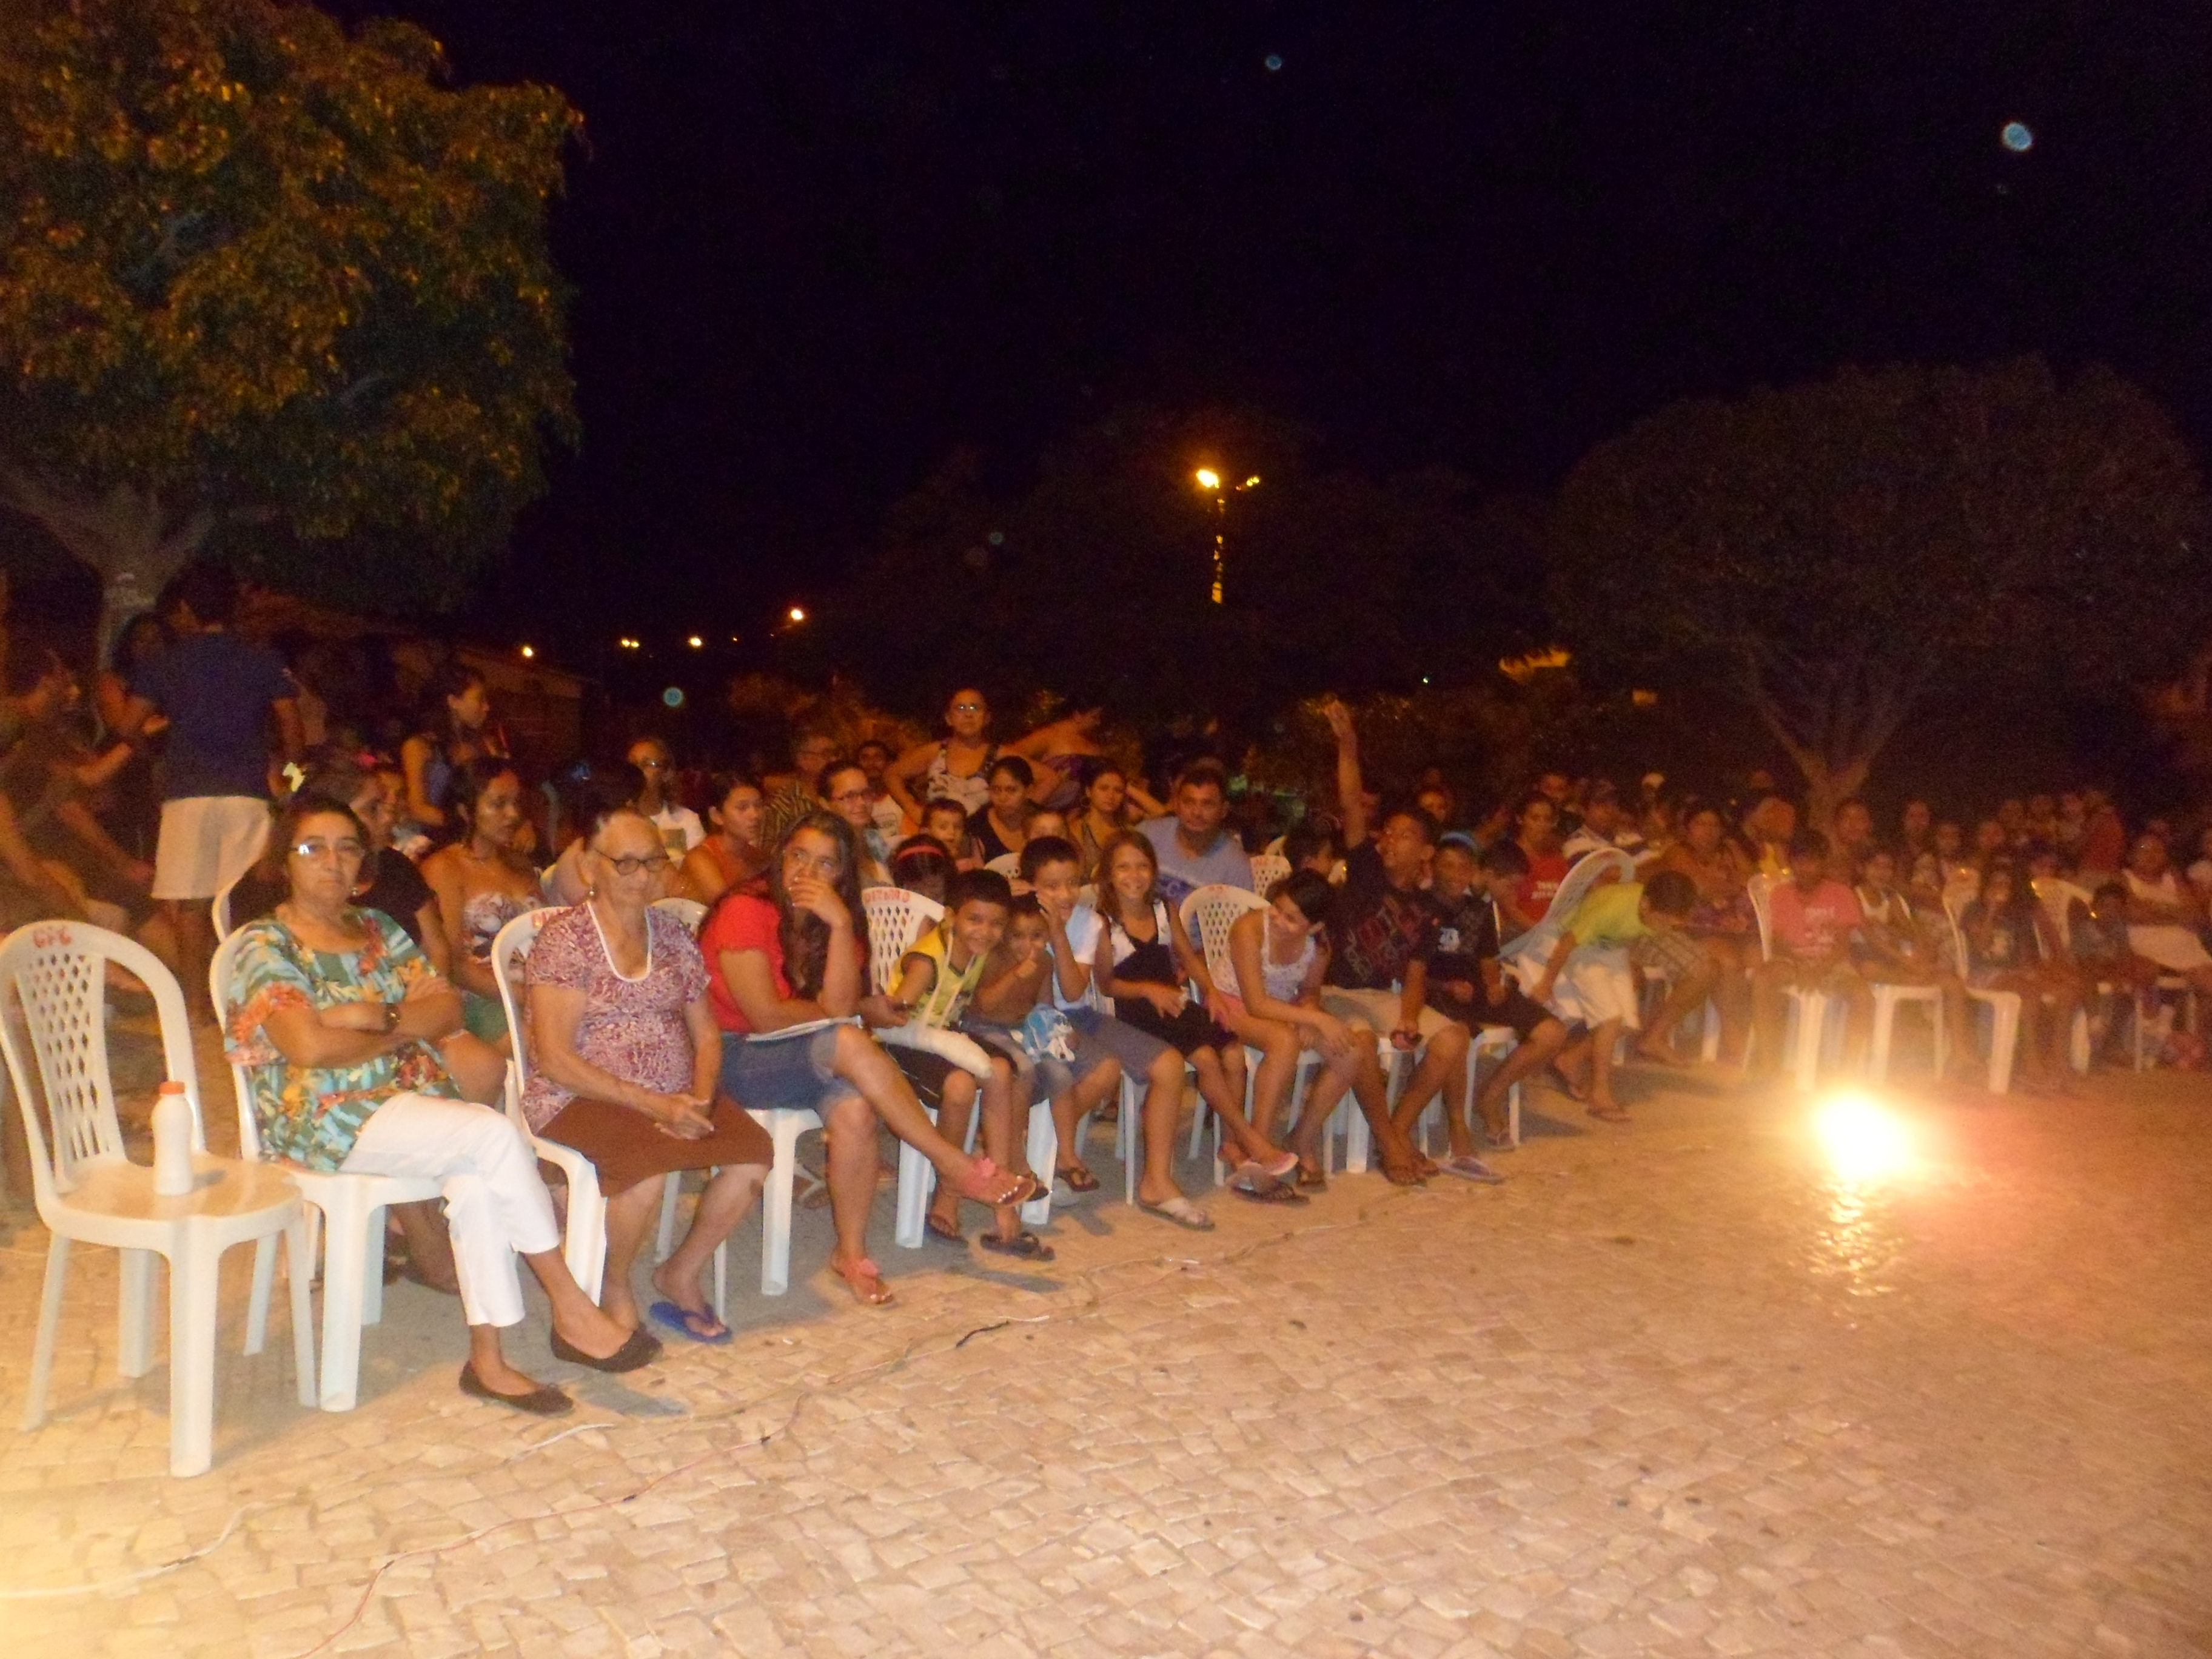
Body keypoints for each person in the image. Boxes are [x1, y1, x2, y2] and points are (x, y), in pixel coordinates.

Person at [225, 794, 658, 1415]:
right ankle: (571, 1307)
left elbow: (448, 1007)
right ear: (284, 860)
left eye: (347, 848)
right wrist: (404, 1028)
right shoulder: (267, 945)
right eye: (312, 848)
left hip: (406, 1099)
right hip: (321, 1116)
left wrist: (373, 1017)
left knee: (479, 1177)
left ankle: (489, 1362)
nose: (332, 862)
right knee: (490, 1135)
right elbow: (309, 1049)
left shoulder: (377, 929)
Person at [698, 811, 1026, 1306]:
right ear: (780, 857)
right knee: (850, 1041)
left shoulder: (838, 919)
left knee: (855, 1110)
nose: (808, 872)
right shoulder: (746, 909)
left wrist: (839, 925)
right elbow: (765, 1016)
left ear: (843, 874)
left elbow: (840, 1004)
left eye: (826, 864)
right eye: (798, 856)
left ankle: (850, 1253)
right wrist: (838, 1013)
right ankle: (953, 1164)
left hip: (807, 1050)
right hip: (731, 1053)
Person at [520, 803, 771, 1342]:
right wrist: (656, 1106)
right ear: (590, 866)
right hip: (575, 1096)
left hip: (674, 1094)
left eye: (653, 861)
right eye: (625, 863)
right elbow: (555, 1059)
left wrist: (698, 1100)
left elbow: (707, 1035)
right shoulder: (566, 941)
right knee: (646, 1167)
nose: (642, 876)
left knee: (753, 1154)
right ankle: (614, 1283)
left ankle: (680, 1272)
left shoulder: (673, 935)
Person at [110, 560, 303, 1021]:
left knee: (192, 908)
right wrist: (291, 782)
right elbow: (293, 730)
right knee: (246, 906)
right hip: (247, 795)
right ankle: (253, 1008)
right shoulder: (260, 658)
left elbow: (126, 725)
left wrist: (153, 754)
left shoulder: (165, 662)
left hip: (187, 795)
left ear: (185, 609)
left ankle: (197, 1010)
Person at [1092, 830, 1289, 1223]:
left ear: (1154, 870)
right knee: (1207, 1059)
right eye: (1123, 867)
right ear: (1108, 875)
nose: (1134, 875)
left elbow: (1187, 956)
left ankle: (1232, 1146)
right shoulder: (1104, 922)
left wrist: (1211, 991)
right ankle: (1252, 1140)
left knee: (1232, 1053)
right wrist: (1147, 990)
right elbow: (1106, 984)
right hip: (1137, 1012)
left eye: (1142, 866)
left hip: (1175, 1004)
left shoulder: (1163, 909)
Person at [871, 868, 1047, 1256]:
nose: (985, 931)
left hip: (945, 1036)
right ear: (950, 917)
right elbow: (896, 1015)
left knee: (1002, 1069)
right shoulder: (928, 960)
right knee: (961, 1085)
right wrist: (882, 1005)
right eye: (975, 920)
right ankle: (948, 1193)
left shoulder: (977, 950)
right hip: (905, 1040)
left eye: (996, 923)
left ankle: (1002, 1194)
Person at [1208, 869, 1423, 1188]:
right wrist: (1314, 1018)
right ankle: (1259, 1148)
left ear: (1316, 926)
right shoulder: (1249, 929)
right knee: (1285, 1041)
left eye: (1292, 919)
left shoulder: (1318, 947)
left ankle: (1301, 1137)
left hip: (1284, 1008)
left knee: (1351, 1051)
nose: (1278, 920)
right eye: (1277, 908)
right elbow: (1256, 1004)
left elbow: (1310, 990)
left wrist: (1308, 1010)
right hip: (1231, 1004)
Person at [1018, 834, 1193, 1196]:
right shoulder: (1018, 919)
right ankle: (1047, 1151)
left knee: (1170, 1064)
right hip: (1029, 1018)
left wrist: (1058, 934)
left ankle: (1156, 1180)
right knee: (1104, 1069)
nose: (1065, 894)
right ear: (1031, 886)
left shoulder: (1088, 922)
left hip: (1079, 1014)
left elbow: (1073, 991)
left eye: (1072, 883)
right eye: (1052, 886)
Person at [967, 883, 1125, 1202]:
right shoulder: (993, 959)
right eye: (1017, 936)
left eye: (1037, 936)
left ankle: (1067, 1155)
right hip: (984, 1029)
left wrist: (1060, 1028)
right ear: (1005, 934)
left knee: (1060, 1072)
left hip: (1021, 1030)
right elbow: (983, 1005)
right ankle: (1017, 1159)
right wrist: (1015, 975)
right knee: (1023, 1068)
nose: (1027, 945)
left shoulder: (1045, 963)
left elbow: (1044, 1006)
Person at [1518, 871, 1698, 1122]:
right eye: (1664, 921)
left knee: (1628, 1023)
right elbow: (1568, 942)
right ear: (1646, 904)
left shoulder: (1657, 914)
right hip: (1576, 945)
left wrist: (1632, 964)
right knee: (1610, 1018)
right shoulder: (1613, 907)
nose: (1666, 928)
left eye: (1673, 924)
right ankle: (1600, 1095)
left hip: (1610, 949)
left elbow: (1629, 934)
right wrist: (1546, 983)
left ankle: (1569, 1060)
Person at [421, 757, 543, 1051]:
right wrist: (521, 994)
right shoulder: (445, 868)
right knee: (547, 1044)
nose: (513, 814)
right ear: (466, 811)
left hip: (541, 988)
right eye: (499, 804)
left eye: (516, 802)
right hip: (483, 996)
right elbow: (453, 962)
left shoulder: (519, 864)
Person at [1849, 846, 1979, 1085]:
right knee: (1869, 969)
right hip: (1866, 957)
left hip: (1896, 960)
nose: (1882, 872)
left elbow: (1913, 933)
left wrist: (1903, 940)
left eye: (1888, 867)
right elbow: (1870, 938)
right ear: (1862, 868)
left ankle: (1960, 1053)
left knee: (1952, 982)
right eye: (1876, 866)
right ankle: (1913, 979)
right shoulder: (1854, 896)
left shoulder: (1892, 899)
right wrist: (1907, 962)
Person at [1751, 830, 1870, 1077]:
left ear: (1824, 863)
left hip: (1832, 961)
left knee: (1864, 998)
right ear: (1792, 862)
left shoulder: (1841, 894)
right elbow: (1778, 942)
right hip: (1792, 959)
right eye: (1800, 861)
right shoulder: (1781, 894)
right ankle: (1768, 1064)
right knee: (1762, 978)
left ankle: (1847, 1072)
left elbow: (1843, 945)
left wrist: (1821, 968)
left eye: (1812, 861)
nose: (1805, 868)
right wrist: (1801, 965)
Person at [1960, 862, 2081, 1093]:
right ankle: (2030, 1062)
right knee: (2029, 991)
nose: (2000, 889)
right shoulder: (1974, 910)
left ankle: (2058, 1059)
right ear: (1986, 886)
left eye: (2006, 885)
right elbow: (1981, 946)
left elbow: (2024, 953)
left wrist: (2031, 971)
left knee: (2066, 991)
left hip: (2013, 973)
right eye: (1995, 884)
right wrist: (1991, 912)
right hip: (1984, 972)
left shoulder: (2017, 915)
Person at [398, 662, 506, 835]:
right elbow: (417, 809)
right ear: (454, 701)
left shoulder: (479, 746)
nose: (487, 707)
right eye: (480, 699)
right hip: (429, 838)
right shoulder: (419, 747)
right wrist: (466, 823)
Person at [1138, 759, 1252, 907]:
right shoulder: (1148, 835)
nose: (1197, 812)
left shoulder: (1236, 865)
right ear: (1177, 804)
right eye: (1189, 802)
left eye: (1207, 804)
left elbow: (1244, 917)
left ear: (1224, 810)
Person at [2119, 833, 2212, 1000]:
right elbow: (2134, 914)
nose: (2151, 855)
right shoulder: (2124, 878)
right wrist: (2178, 915)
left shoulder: (2173, 878)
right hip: (2150, 949)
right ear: (2131, 855)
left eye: (2157, 850)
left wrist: (2155, 908)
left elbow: (2196, 916)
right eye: (2144, 850)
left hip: (2188, 949)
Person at [885, 688, 999, 821]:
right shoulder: (935, 752)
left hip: (981, 833)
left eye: (975, 708)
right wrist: (912, 809)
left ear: (987, 718)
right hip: (937, 832)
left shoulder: (1000, 756)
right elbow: (891, 774)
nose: (968, 714)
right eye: (961, 708)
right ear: (949, 718)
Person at [678, 772, 770, 906]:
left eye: (759, 805)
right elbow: (728, 909)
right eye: (743, 808)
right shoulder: (701, 859)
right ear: (716, 815)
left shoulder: (761, 857)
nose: (755, 815)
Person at [1004, 703, 1110, 812]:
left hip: (1080, 812)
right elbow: (1008, 753)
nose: (1098, 723)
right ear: (1078, 715)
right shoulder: (1051, 735)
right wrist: (1044, 776)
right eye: (1094, 717)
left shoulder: (1094, 745)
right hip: (1046, 809)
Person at [1073, 763, 1161, 877]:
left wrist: (1129, 788)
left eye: (1118, 790)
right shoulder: (1076, 828)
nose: (1111, 796)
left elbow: (1166, 818)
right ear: (1089, 791)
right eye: (1104, 788)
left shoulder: (1127, 830)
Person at [1499, 792, 1569, 936]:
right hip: (1519, 936)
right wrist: (1540, 933)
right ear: (1520, 819)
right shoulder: (1508, 856)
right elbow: (1509, 909)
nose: (1542, 825)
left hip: (1554, 934)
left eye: (1547, 819)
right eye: (1535, 818)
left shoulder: (1557, 859)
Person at [626, 736, 704, 863]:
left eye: (647, 764)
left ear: (666, 774)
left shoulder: (686, 821)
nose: (638, 771)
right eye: (633, 765)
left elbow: (696, 870)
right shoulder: (613, 822)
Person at [760, 728, 838, 851]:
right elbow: (769, 851)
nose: (834, 760)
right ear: (803, 760)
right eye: (826, 754)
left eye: (835, 754)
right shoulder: (785, 803)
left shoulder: (838, 794)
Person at [820, 759, 893, 885]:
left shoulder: (875, 841)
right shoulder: (826, 852)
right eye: (849, 796)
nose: (862, 802)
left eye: (865, 793)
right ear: (826, 804)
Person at [968, 756, 1036, 865]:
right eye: (996, 790)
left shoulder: (1047, 820)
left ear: (1029, 791)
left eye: (1011, 790)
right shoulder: (976, 826)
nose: (1002, 798)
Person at [1561, 779, 1646, 862]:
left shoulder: (1633, 839)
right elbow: (1610, 870)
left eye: (1613, 804)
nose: (1609, 810)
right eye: (1600, 805)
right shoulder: (1574, 845)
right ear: (1583, 810)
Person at [853, 738, 911, 844]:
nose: (871, 763)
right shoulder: (853, 803)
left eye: (878, 757)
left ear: (889, 763)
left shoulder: (903, 798)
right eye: (865, 758)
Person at [920, 797, 980, 870]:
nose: (952, 832)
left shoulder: (969, 863)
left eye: (958, 827)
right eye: (943, 827)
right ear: (926, 832)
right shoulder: (920, 860)